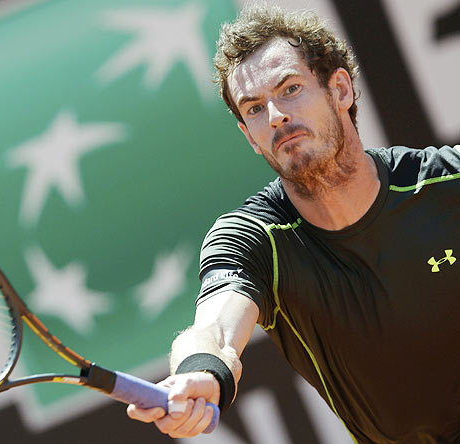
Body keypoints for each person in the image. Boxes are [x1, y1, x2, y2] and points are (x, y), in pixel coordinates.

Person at [127, 4, 460, 444]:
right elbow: (214, 328)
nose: (275, 116)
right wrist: (201, 370)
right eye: (254, 110)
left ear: (340, 89)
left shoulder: (447, 182)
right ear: (249, 136)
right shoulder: (254, 240)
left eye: (290, 88)